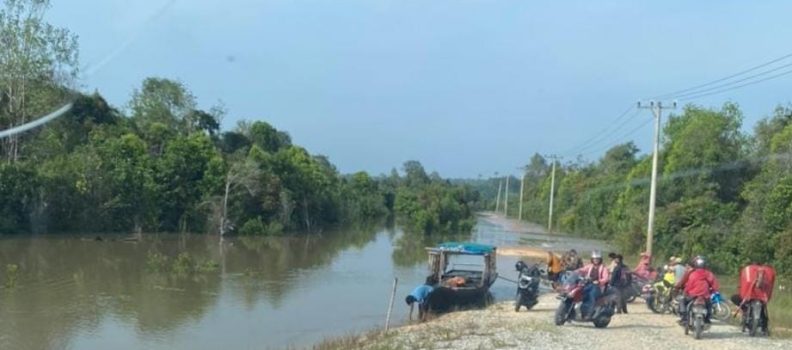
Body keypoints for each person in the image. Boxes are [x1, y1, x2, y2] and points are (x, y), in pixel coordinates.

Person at [731, 262, 776, 334]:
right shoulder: (766, 273)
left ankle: (746, 310)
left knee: (735, 298)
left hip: (749, 297)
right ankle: (764, 328)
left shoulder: (749, 271)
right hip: (761, 298)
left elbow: (742, 286)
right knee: (763, 312)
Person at [675, 256, 720, 326]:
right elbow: (715, 285)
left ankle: (684, 318)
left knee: (682, 301)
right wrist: (712, 291)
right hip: (705, 295)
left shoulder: (691, 273)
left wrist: (680, 289)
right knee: (709, 304)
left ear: (694, 264)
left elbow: (685, 283)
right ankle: (707, 319)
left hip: (692, 295)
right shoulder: (709, 273)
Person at [576, 250, 610, 319]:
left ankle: (589, 313)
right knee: (579, 291)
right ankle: (576, 309)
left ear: (600, 259)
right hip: (588, 285)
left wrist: (599, 281)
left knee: (591, 295)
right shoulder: (590, 266)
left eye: (597, 259)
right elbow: (582, 270)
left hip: (598, 287)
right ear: (592, 259)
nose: (596, 260)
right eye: (594, 259)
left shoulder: (603, 268)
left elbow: (606, 278)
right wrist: (575, 272)